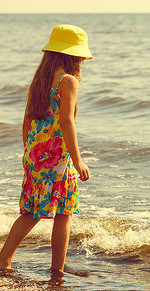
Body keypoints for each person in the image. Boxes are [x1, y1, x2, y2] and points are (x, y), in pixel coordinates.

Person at [0, 24, 92, 274]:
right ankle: (57, 270)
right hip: (58, 156)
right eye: (81, 55)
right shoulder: (68, 81)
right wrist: (77, 160)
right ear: (72, 55)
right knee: (64, 212)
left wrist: (30, 153)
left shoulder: (40, 81)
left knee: (31, 211)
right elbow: (66, 122)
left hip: (35, 152)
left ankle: (4, 259)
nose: (83, 60)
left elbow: (27, 119)